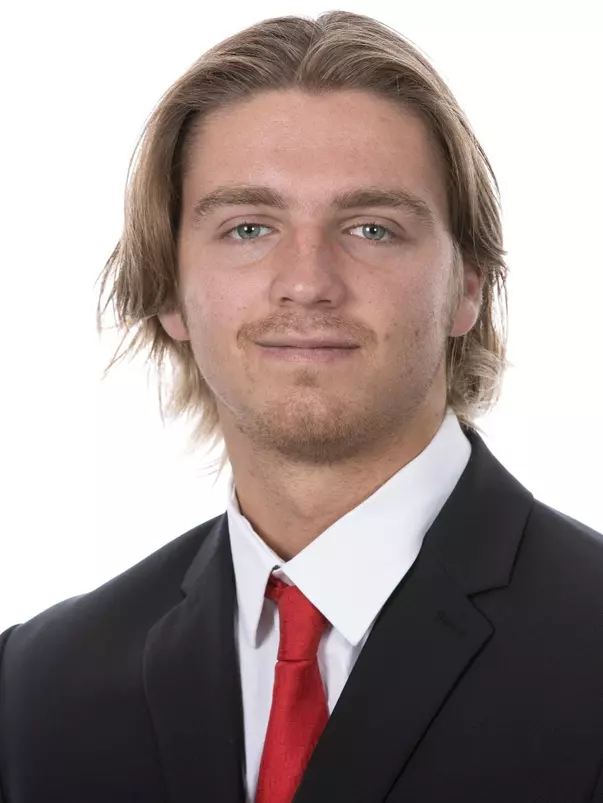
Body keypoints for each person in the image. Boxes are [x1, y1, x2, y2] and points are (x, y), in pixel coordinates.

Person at [1, 10, 603, 803]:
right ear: (169, 292)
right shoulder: (35, 689)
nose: (308, 280)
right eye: (248, 227)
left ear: (467, 285)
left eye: (371, 227)